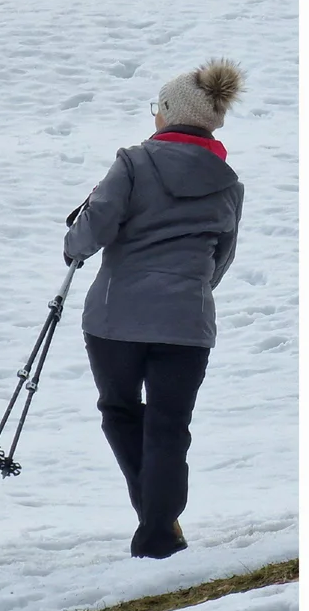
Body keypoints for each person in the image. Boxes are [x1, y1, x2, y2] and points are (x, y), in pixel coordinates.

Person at [63, 59, 244, 560]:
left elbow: (96, 225)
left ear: (166, 113)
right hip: (186, 321)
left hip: (114, 319)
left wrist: (71, 244)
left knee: (120, 411)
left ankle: (156, 520)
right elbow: (221, 257)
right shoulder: (228, 183)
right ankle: (160, 527)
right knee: (169, 424)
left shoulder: (133, 162)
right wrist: (188, 288)